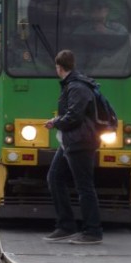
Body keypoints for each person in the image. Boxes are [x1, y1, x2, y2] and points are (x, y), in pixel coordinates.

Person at [44, 49, 103, 245]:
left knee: (84, 186)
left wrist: (56, 122)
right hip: (70, 141)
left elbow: (75, 116)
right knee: (54, 177)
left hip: (80, 141)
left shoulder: (77, 86)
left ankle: (93, 231)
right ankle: (66, 225)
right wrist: (59, 121)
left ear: (59, 67)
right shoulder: (73, 84)